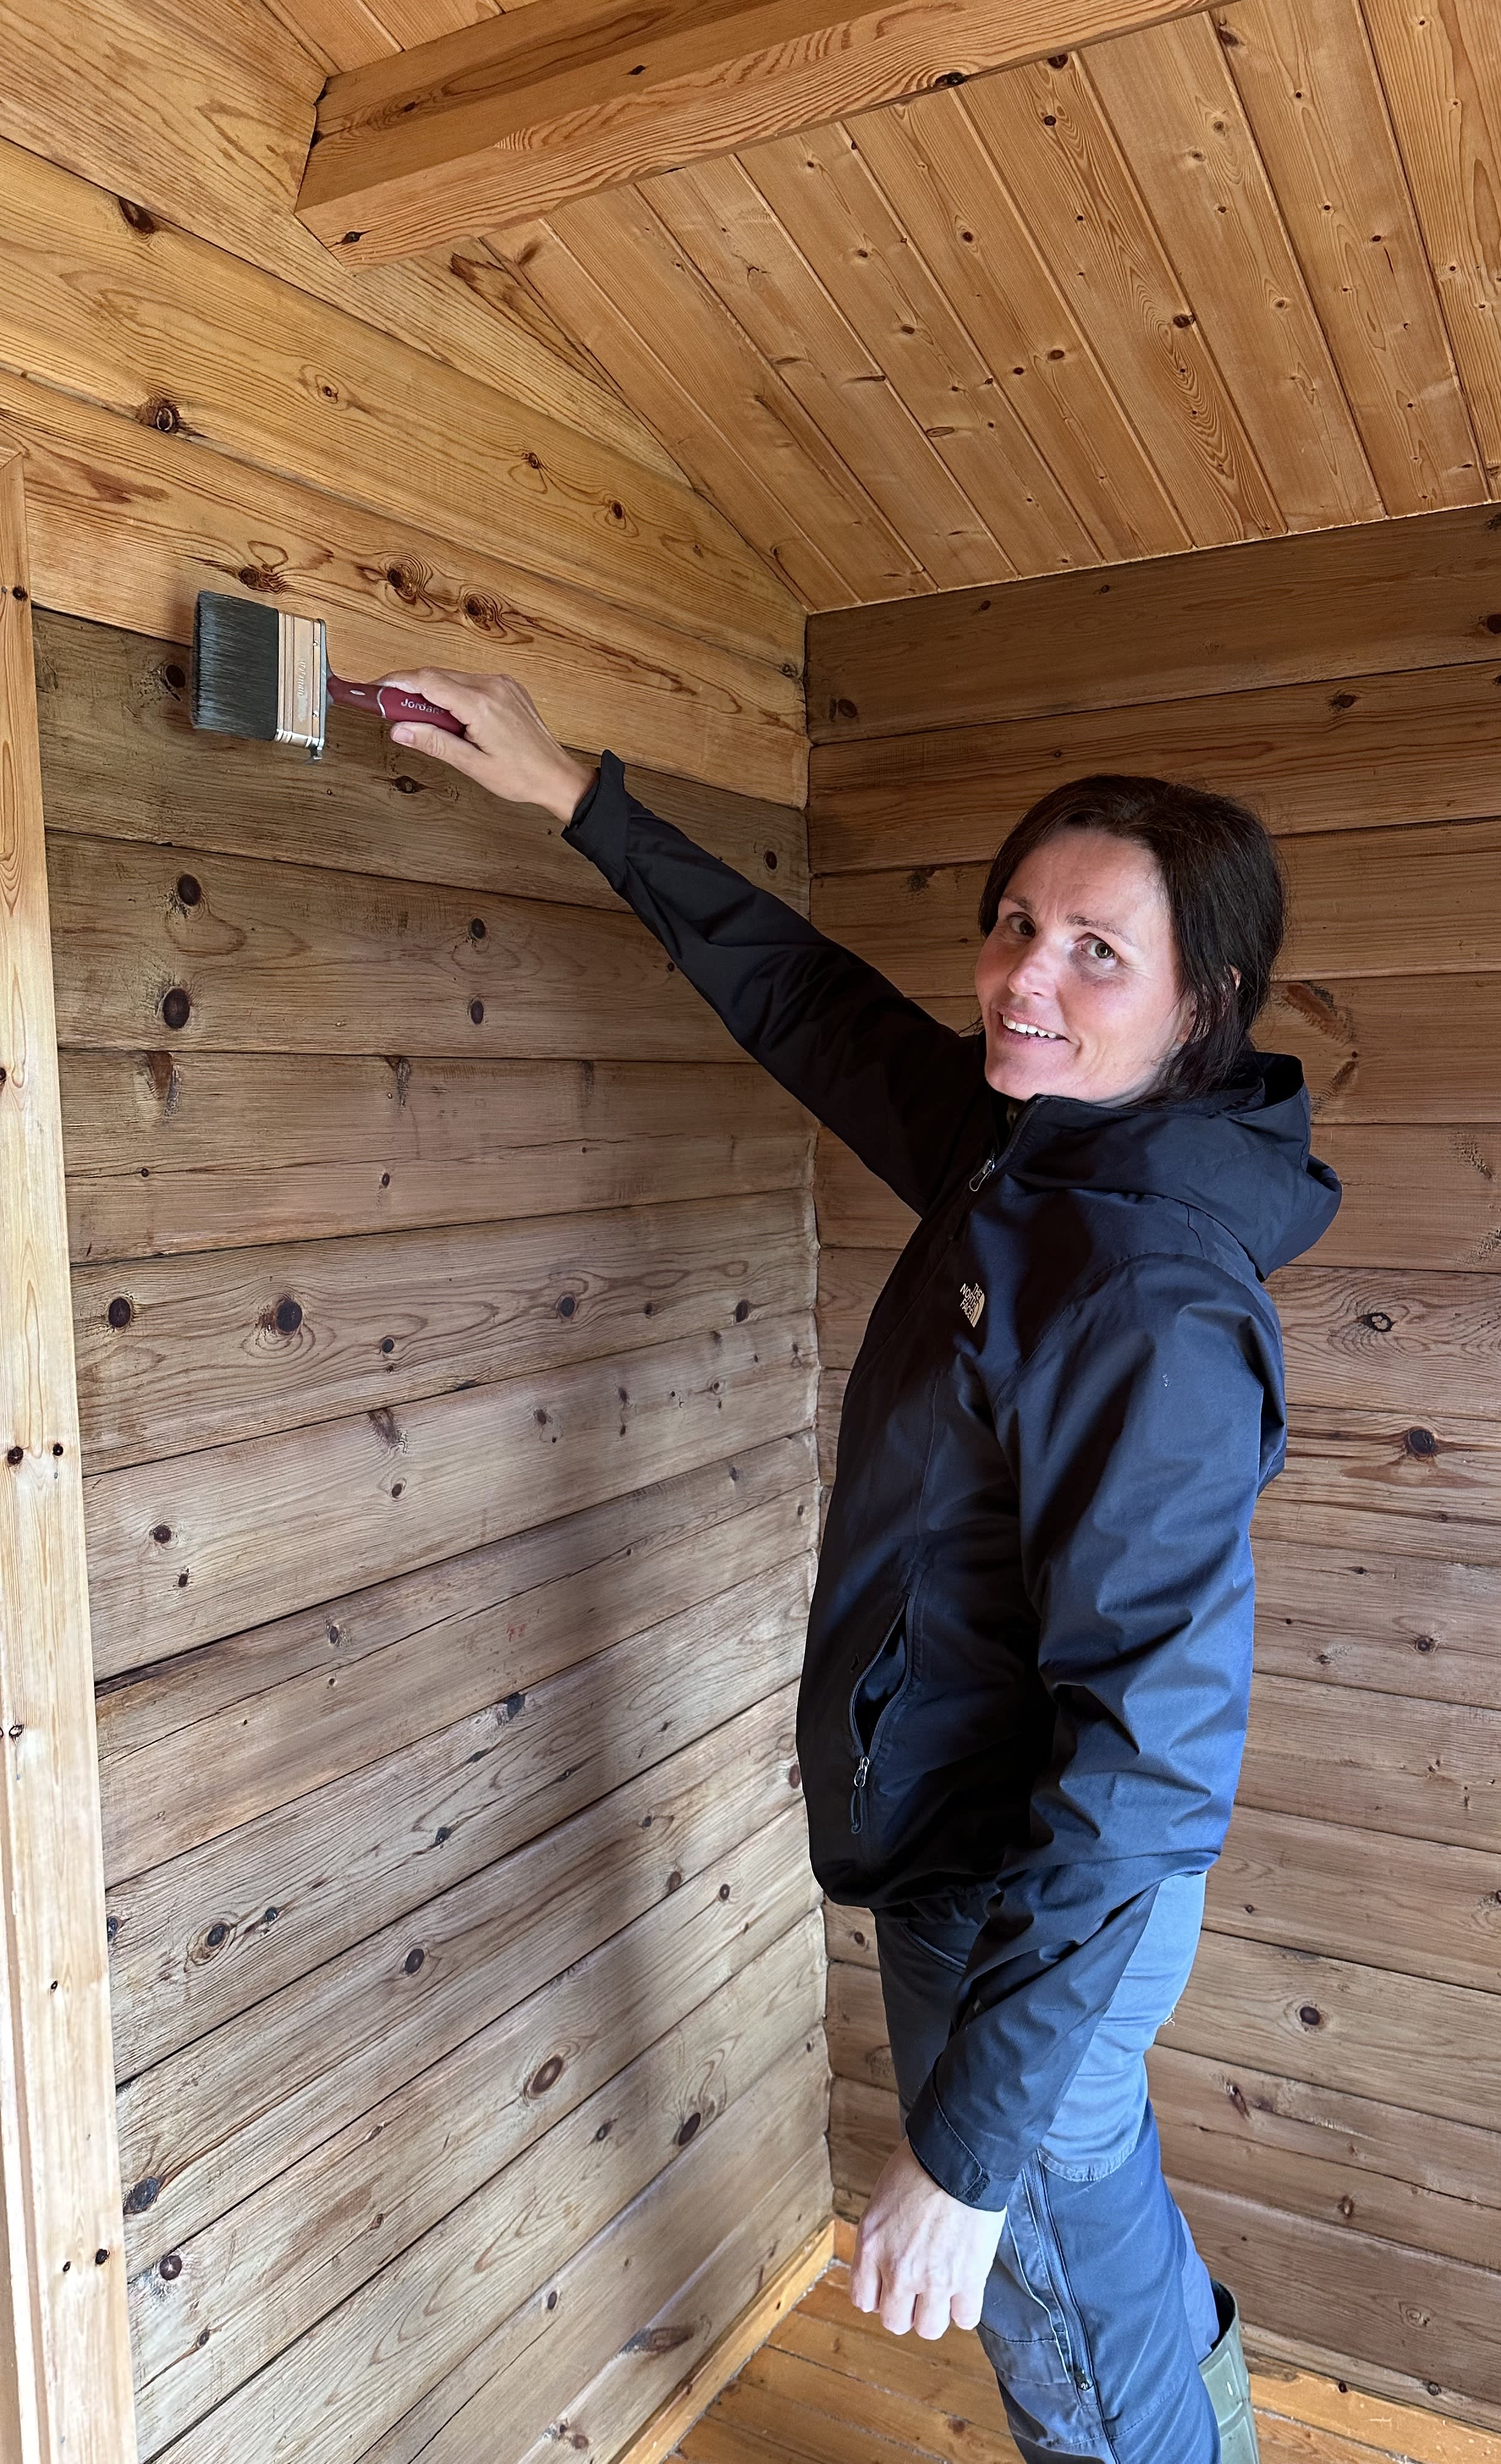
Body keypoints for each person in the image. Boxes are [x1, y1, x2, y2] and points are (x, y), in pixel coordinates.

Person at [383, 669, 1341, 2464]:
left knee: (1061, 2307)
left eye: (1098, 954)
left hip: (1026, 1889)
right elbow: (817, 1011)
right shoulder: (1036, 1155)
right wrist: (577, 794)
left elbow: (1149, 1762)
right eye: (1015, 923)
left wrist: (964, 2157)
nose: (1025, 978)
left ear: (1202, 1006)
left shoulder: (1140, 1292)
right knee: (1099, 2233)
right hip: (1010, 1868)